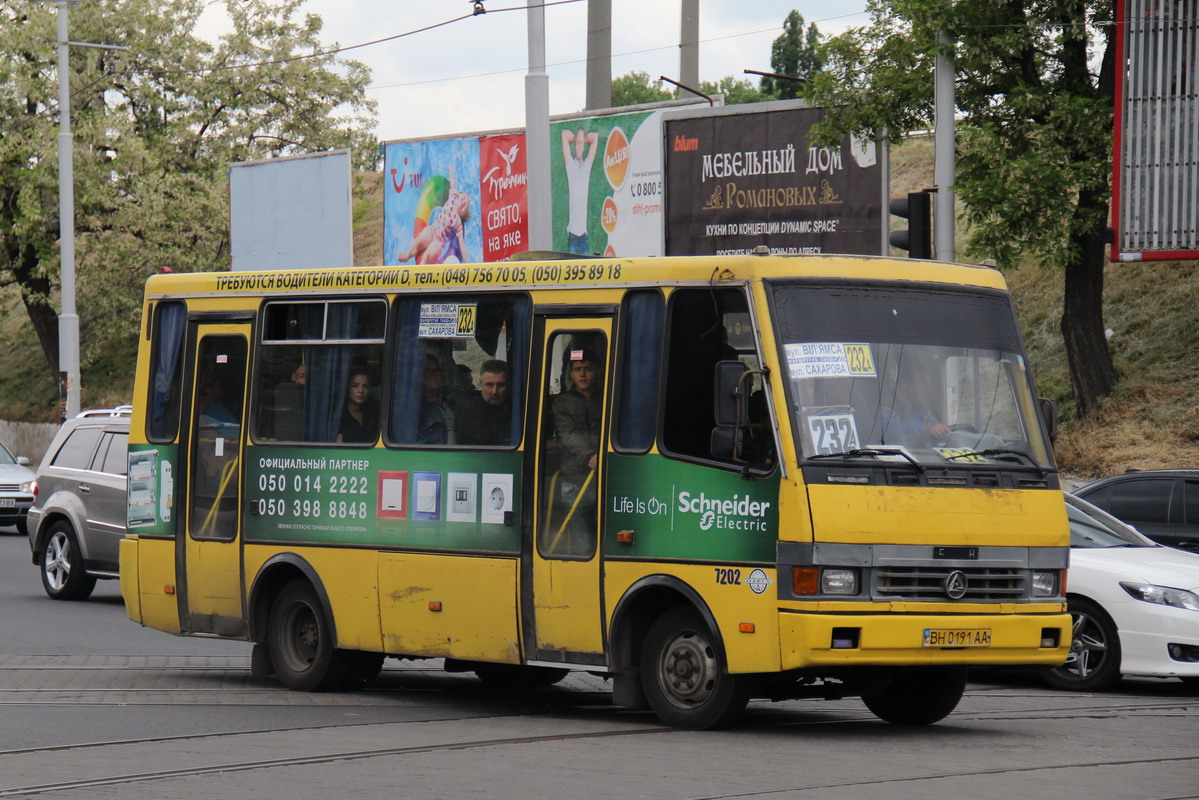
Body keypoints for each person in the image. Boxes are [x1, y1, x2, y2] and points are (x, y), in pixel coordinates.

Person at [551, 349, 602, 554]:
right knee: (584, 544)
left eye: (588, 369)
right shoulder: (561, 403)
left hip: (606, 478)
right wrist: (590, 456)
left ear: (597, 371)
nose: (582, 374)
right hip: (575, 480)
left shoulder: (608, 397)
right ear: (570, 373)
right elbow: (569, 435)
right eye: (578, 369)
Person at [456, 360, 513, 446]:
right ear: (481, 384)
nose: (495, 391)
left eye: (501, 385)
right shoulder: (470, 412)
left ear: (509, 385)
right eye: (489, 385)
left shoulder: (516, 408)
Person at [561, 128, 598, 255]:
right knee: (571, 270)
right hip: (572, 234)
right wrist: (578, 137)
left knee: (586, 270)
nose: (580, 146)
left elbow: (595, 138)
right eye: (578, 143)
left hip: (583, 234)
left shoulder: (587, 166)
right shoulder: (570, 165)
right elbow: (565, 135)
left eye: (582, 143)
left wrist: (582, 139)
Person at [416, 354, 453, 444]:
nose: (434, 374)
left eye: (437, 370)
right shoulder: (417, 412)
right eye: (428, 371)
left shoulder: (450, 403)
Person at [336, 369, 378, 444]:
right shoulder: (339, 416)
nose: (361, 391)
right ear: (347, 388)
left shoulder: (374, 414)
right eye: (355, 386)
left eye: (365, 387)